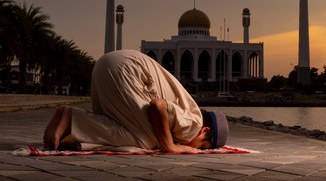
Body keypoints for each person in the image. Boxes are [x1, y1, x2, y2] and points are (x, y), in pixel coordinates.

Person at [43, 49, 228, 153]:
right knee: (147, 140)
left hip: (104, 65)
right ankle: (73, 118)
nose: (198, 150)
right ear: (205, 131)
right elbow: (158, 106)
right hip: (125, 72)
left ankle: (68, 122)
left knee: (125, 128)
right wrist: (171, 146)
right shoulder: (194, 123)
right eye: (202, 146)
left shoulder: (187, 107)